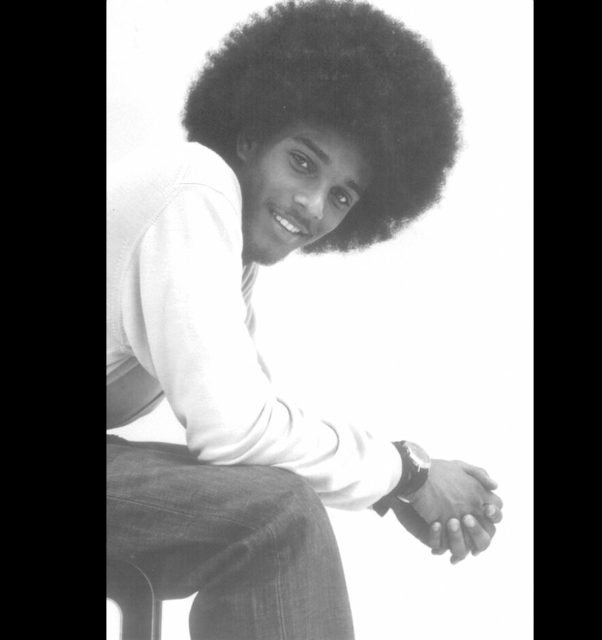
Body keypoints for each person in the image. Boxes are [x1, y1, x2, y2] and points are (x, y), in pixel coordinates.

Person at [107, 1, 504, 638]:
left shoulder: (231, 261)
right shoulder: (197, 186)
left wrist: (394, 486)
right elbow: (237, 432)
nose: (313, 206)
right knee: (277, 513)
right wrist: (408, 472)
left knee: (271, 494)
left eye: (341, 195)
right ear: (248, 138)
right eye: (302, 162)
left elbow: (250, 425)